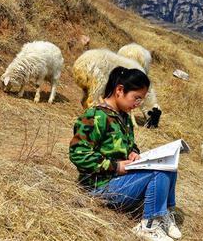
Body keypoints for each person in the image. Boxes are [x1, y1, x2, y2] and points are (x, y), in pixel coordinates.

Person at [69, 66, 181, 241]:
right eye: (136, 98)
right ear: (120, 90)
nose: (137, 104)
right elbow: (78, 154)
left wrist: (133, 153)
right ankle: (148, 226)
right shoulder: (95, 116)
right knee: (158, 171)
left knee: (168, 164)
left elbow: (129, 145)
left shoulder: (123, 117)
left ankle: (163, 213)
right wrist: (115, 166)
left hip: (120, 181)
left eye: (141, 100)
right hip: (100, 187)